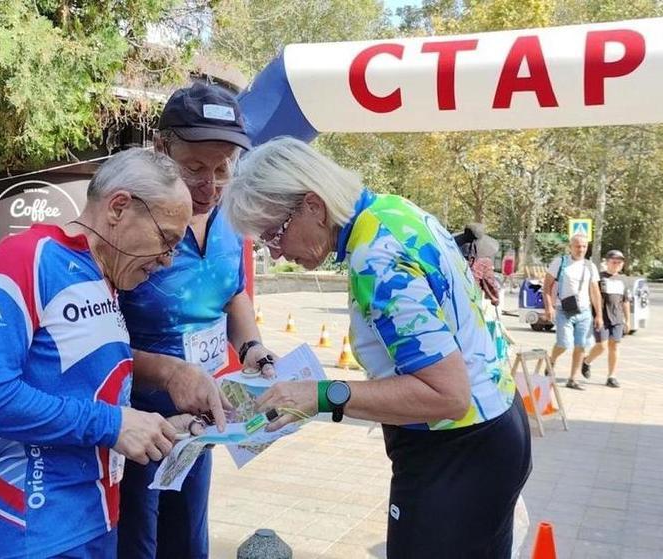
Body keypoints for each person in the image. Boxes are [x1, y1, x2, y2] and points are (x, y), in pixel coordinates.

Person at [221, 137, 532, 559]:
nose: (275, 255)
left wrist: (320, 396)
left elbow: (448, 395)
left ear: (313, 205)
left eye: (274, 234)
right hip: (492, 428)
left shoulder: (376, 258)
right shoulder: (389, 212)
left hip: (456, 452)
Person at [0, 149, 207, 558]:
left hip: (98, 519)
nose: (168, 258)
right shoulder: (27, 258)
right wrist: (112, 423)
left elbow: (80, 385)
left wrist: (161, 424)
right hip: (40, 529)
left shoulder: (102, 274)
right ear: (119, 207)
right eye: (166, 238)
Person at [118, 83, 277, 559]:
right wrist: (169, 373)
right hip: (133, 419)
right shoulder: (133, 224)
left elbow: (233, 293)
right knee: (136, 545)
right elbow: (91, 341)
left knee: (188, 541)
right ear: (162, 149)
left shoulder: (230, 217)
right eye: (194, 170)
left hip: (202, 420)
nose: (210, 185)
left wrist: (252, 348)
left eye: (223, 169)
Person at [542, 234, 603, 390]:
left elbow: (595, 292)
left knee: (581, 345)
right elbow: (547, 286)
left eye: (584, 246)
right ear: (570, 247)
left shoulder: (590, 266)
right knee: (563, 343)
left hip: (584, 312)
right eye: (577, 246)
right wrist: (549, 306)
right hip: (563, 310)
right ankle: (552, 360)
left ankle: (573, 379)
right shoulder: (560, 262)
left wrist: (599, 315)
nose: (581, 249)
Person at [582, 249, 631, 387]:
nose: (616, 264)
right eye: (613, 261)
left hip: (617, 319)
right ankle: (586, 361)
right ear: (607, 262)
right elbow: (592, 296)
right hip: (601, 317)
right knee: (602, 346)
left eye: (619, 262)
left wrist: (628, 320)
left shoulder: (623, 280)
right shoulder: (599, 278)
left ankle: (612, 377)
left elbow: (625, 301)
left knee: (614, 346)